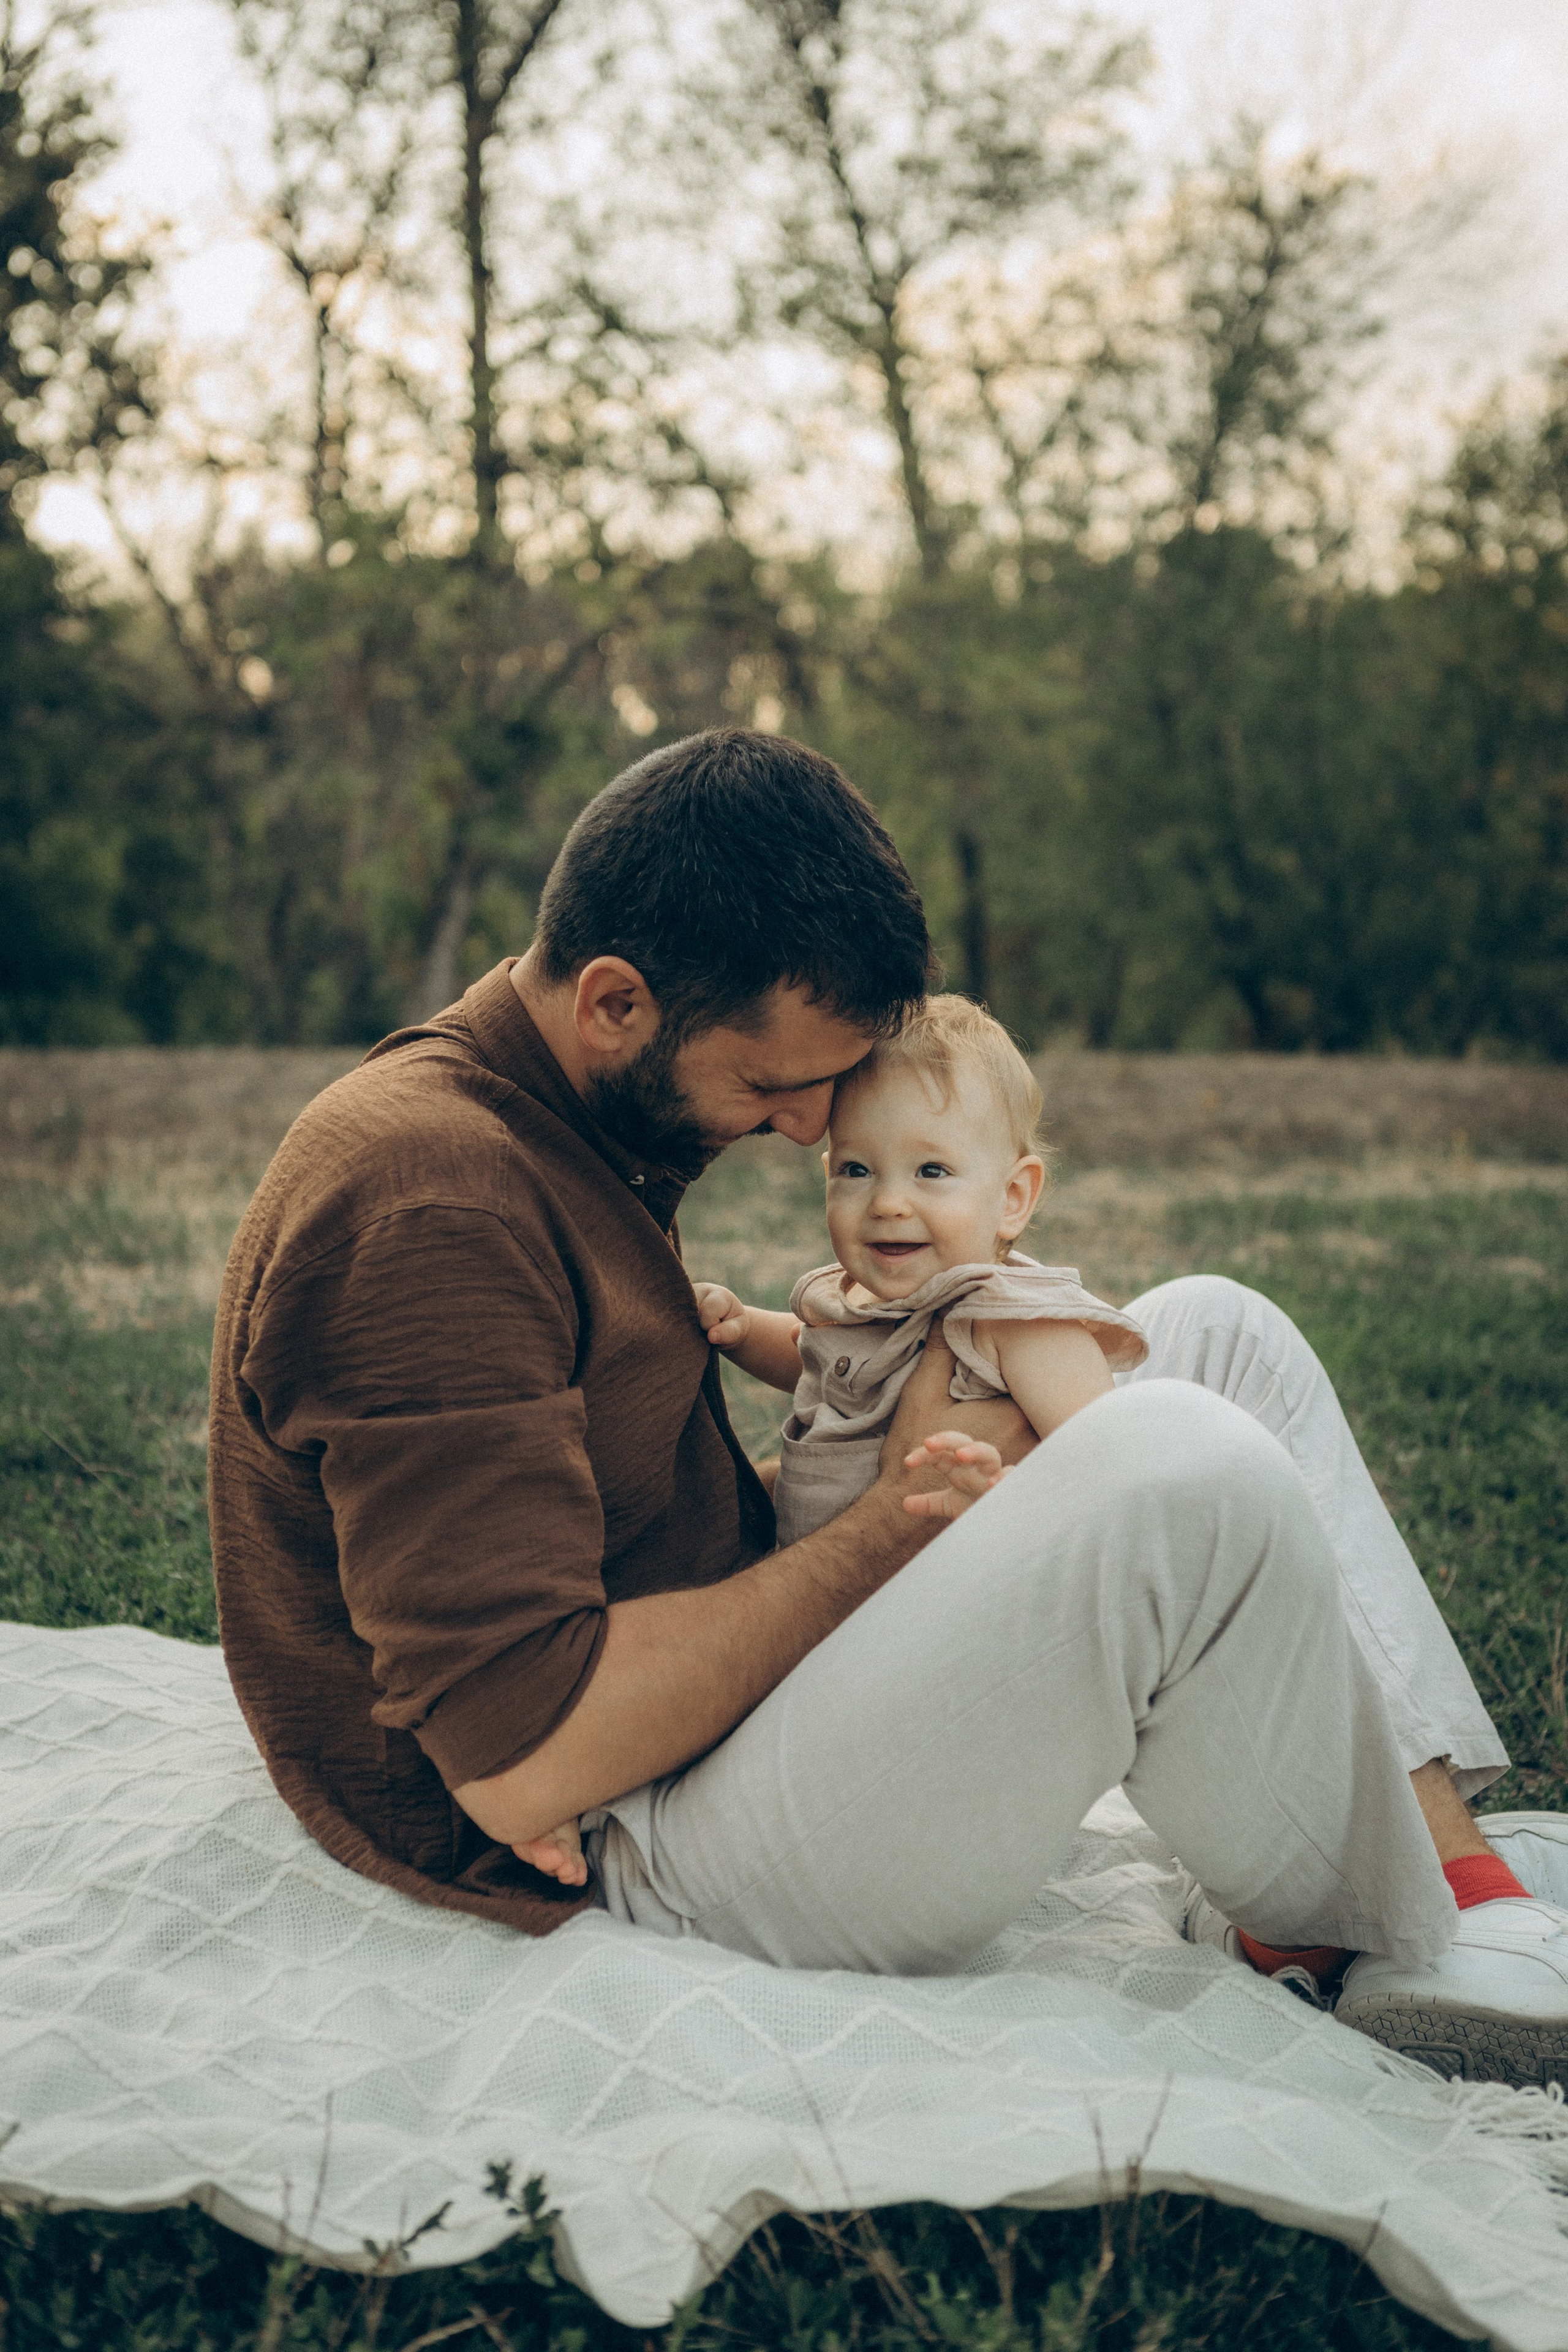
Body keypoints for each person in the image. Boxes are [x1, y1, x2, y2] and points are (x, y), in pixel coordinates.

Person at [209, 727, 1568, 2087]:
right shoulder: (429, 1203)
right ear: (614, 1004)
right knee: (1171, 1458)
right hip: (632, 1849)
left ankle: (1438, 1876)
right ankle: (1368, 1928)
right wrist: (900, 1519)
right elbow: (521, 1764)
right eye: (773, 1083)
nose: (807, 1132)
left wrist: (902, 1465)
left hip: (721, 1724)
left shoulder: (565, 1119)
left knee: (1217, 1336)